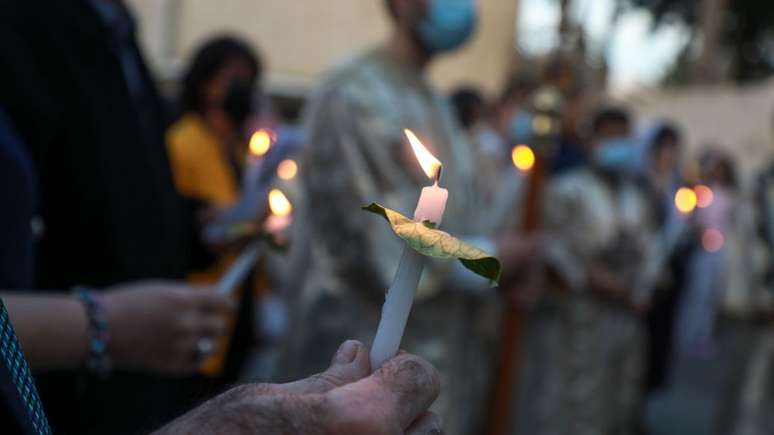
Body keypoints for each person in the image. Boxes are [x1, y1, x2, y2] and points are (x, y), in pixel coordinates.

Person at [282, 1, 521, 433]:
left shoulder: (433, 97)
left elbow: (461, 209)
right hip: (359, 357)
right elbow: (375, 237)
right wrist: (493, 255)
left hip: (438, 350)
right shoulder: (354, 92)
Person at [0, 1, 228, 433]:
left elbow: (118, 184)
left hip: (127, 379)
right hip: (65, 391)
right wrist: (102, 326)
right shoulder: (25, 25)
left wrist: (197, 225)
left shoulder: (114, 26)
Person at [512, 107, 659, 435]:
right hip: (577, 315)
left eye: (623, 135)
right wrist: (587, 275)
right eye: (609, 135)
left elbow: (650, 249)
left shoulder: (636, 197)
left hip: (624, 315)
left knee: (616, 399)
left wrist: (640, 288)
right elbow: (550, 243)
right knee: (571, 401)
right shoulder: (567, 189)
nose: (617, 143)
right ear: (592, 140)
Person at [166, 35, 264, 377]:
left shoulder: (239, 150)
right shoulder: (184, 141)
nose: (243, 88)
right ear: (206, 82)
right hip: (198, 297)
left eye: (249, 79)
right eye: (233, 77)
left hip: (239, 298)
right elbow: (182, 220)